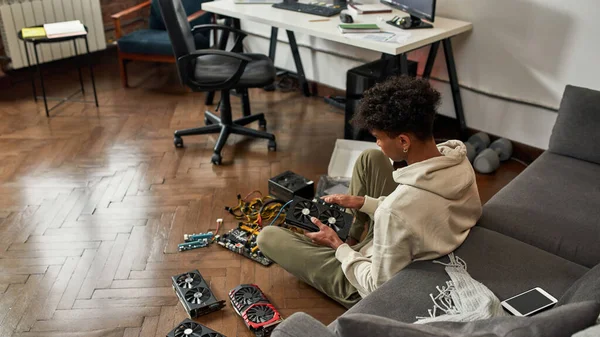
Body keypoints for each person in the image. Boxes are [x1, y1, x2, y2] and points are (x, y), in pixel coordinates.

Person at [257, 76, 482, 308]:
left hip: (367, 283)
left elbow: (377, 287)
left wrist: (338, 247)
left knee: (267, 237)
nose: (378, 144)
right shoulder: (458, 159)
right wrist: (365, 202)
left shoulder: (396, 212)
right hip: (416, 240)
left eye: (378, 138)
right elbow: (420, 209)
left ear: (404, 141)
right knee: (370, 159)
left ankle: (347, 243)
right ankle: (353, 237)